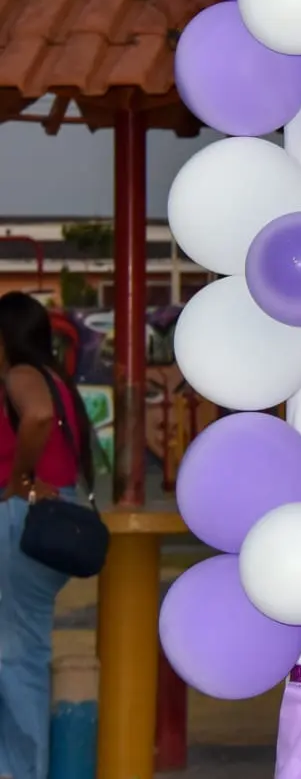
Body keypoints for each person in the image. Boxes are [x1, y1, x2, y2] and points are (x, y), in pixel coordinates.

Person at [0, 292, 94, 779]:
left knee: (17, 655)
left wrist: (20, 478)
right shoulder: (57, 379)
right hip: (48, 516)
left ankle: (22, 770)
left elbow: (36, 416)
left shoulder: (20, 374)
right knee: (17, 649)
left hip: (24, 517)